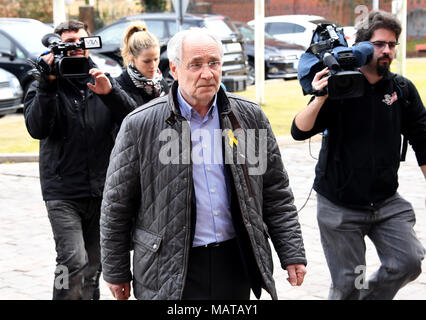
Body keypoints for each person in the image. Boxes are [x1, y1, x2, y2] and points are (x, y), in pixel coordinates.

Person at [100, 27, 307, 300]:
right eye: (195, 65)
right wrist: (115, 271)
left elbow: (275, 191)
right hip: (170, 266)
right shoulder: (141, 125)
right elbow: (116, 205)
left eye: (214, 63)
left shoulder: (247, 119)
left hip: (235, 261)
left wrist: (291, 251)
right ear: (174, 68)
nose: (207, 73)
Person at [291, 10, 426, 300]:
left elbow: (423, 140)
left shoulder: (401, 89)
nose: (387, 50)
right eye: (379, 44)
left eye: (392, 44)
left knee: (409, 261)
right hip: (340, 206)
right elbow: (298, 131)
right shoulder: (340, 87)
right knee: (351, 282)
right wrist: (320, 97)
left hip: (387, 202)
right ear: (362, 46)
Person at [24, 20, 136, 300]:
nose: (75, 48)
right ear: (56, 46)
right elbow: (37, 128)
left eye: (80, 42)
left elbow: (134, 121)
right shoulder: (41, 80)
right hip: (62, 192)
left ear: (89, 44)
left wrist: (110, 93)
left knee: (93, 267)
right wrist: (48, 84)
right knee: (71, 261)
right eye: (68, 43)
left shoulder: (103, 78)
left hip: (100, 191)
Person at [114, 21, 169, 106]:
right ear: (132, 58)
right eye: (147, 61)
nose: (153, 65)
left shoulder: (161, 83)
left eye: (156, 59)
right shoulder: (120, 87)